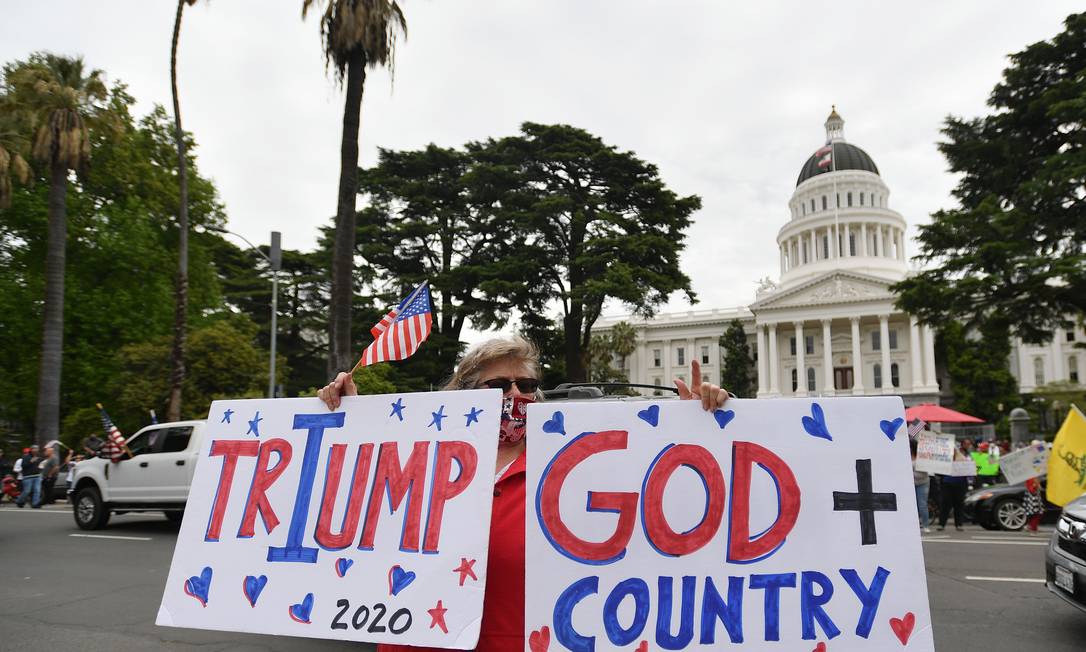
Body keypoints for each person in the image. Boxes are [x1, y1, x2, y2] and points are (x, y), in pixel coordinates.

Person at [318, 336, 730, 652]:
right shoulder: (421, 456)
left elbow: (671, 510)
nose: (517, 395)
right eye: (499, 384)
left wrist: (694, 429)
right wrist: (354, 423)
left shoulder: (573, 466)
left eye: (527, 384)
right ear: (467, 395)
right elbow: (354, 506)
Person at [937, 441, 970, 532]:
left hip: (960, 484)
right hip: (947, 484)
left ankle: (959, 524)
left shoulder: (964, 459)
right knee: (945, 504)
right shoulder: (945, 459)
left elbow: (972, 469)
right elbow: (939, 471)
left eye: (955, 449)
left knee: (958, 504)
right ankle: (941, 524)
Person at [911, 439, 931, 533]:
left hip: (923, 482)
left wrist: (910, 473)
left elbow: (924, 473)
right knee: (911, 505)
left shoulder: (921, 457)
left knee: (922, 504)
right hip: (911, 484)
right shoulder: (905, 456)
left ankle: (925, 524)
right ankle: (914, 524)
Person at [15, 445, 42, 509]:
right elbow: (23, 465)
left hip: (37, 476)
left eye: (37, 449)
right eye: (34, 449)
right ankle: (19, 501)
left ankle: (35, 504)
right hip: (28, 477)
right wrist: (30, 461)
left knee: (37, 490)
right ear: (31, 449)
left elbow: (39, 466)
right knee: (27, 491)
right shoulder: (26, 457)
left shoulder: (38, 457)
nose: (36, 450)